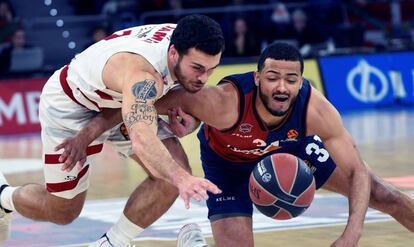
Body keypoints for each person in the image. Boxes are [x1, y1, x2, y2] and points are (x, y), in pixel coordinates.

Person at [51, 42, 414, 246]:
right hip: (229, 164)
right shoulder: (222, 102)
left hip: (289, 152)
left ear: (302, 81)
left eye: (291, 79)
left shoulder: (314, 108)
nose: (282, 87)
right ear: (257, 78)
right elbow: (137, 106)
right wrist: (85, 135)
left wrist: (352, 233)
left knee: (387, 196)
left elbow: (357, 171)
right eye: (272, 78)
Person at [0, 14, 225, 246]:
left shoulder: (187, 39)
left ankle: (112, 243)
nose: (204, 78)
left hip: (117, 103)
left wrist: (190, 123)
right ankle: (2, 196)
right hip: (72, 104)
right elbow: (142, 137)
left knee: (169, 172)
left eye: (211, 69)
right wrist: (183, 179)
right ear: (173, 53)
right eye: (198, 68)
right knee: (62, 211)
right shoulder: (144, 75)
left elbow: (138, 104)